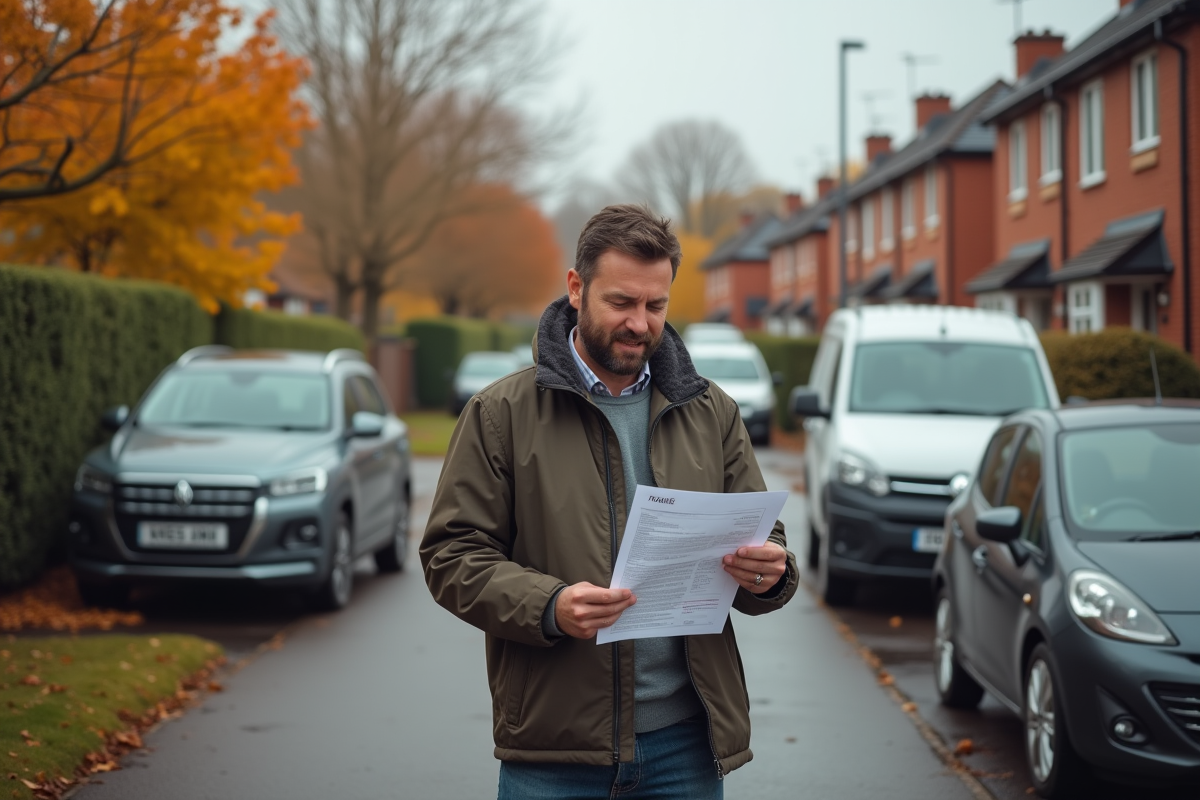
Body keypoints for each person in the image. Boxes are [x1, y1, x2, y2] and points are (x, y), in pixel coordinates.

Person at [421, 204, 798, 799]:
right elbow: (452, 556)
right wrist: (551, 605)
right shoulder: (501, 415)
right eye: (621, 303)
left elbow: (760, 534)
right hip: (552, 750)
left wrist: (770, 571)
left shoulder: (713, 412)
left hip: (685, 746)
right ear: (576, 288)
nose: (640, 324)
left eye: (656, 306)